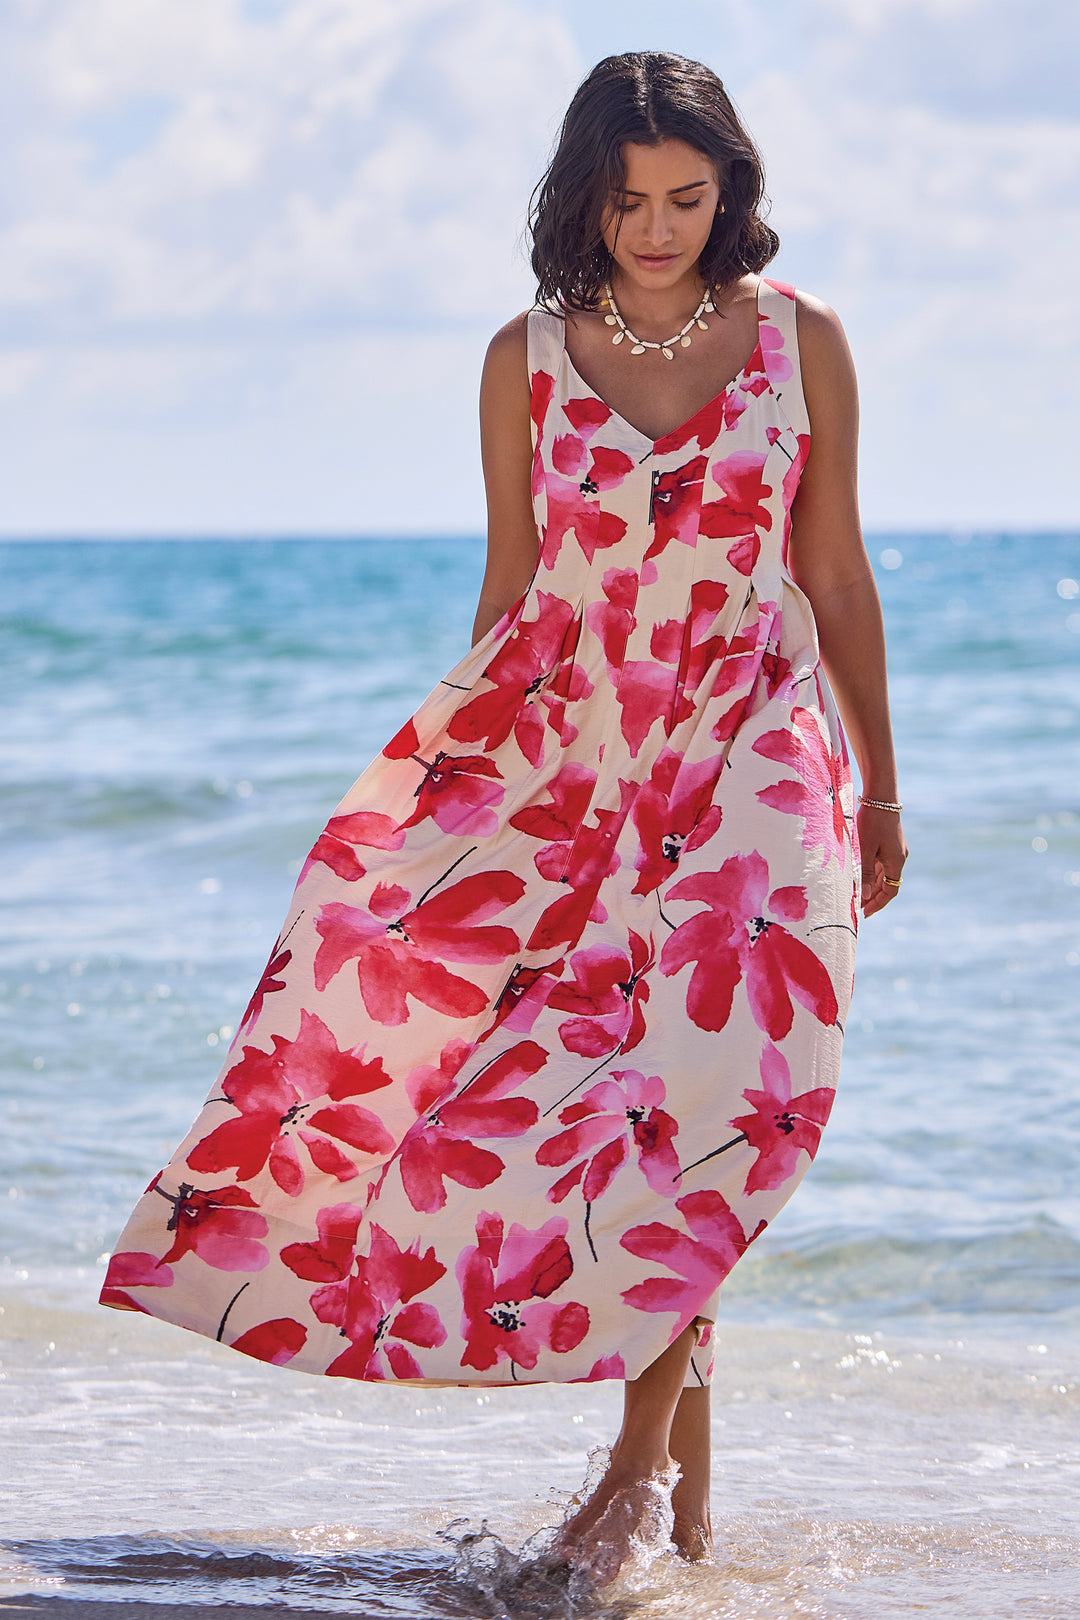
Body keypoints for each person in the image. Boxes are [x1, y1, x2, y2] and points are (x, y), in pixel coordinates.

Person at [100, 51, 907, 1580]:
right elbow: (511, 592)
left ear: (731, 192)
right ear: (582, 199)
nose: (657, 230)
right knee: (625, 1115)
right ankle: (677, 1519)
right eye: (628, 202)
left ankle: (633, 1473)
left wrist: (881, 781)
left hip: (755, 760)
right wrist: (452, 813)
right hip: (586, 770)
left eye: (688, 199)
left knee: (724, 1095)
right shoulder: (522, 359)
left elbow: (838, 576)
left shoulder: (802, 344)